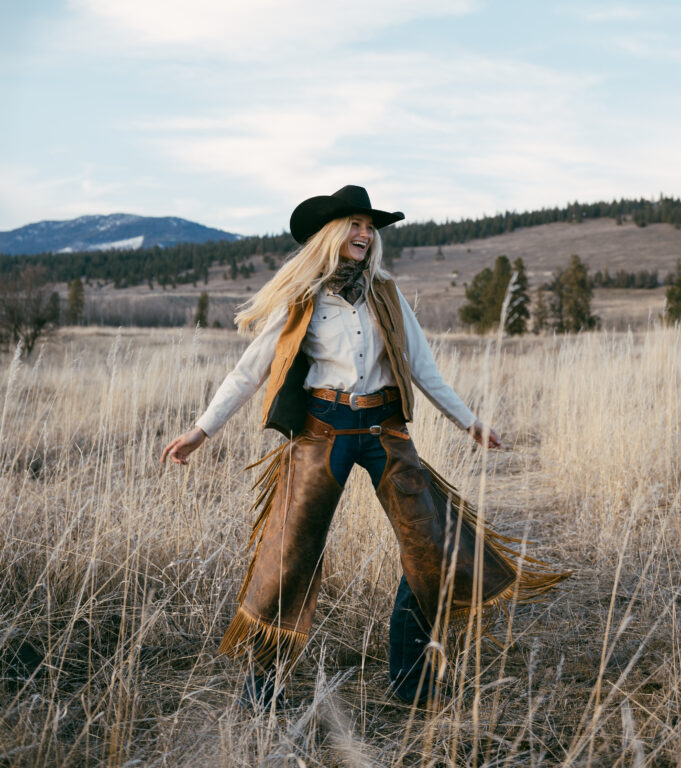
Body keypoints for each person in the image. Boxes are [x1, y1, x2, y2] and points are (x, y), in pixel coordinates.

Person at [161, 185, 565, 710]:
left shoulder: (387, 294)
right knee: (288, 556)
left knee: (431, 549)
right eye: (355, 223)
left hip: (383, 430)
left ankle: (413, 683)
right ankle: (262, 693)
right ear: (333, 233)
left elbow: (423, 368)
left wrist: (470, 422)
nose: (365, 233)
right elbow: (250, 371)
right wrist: (201, 430)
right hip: (321, 430)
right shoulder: (302, 298)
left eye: (370, 226)